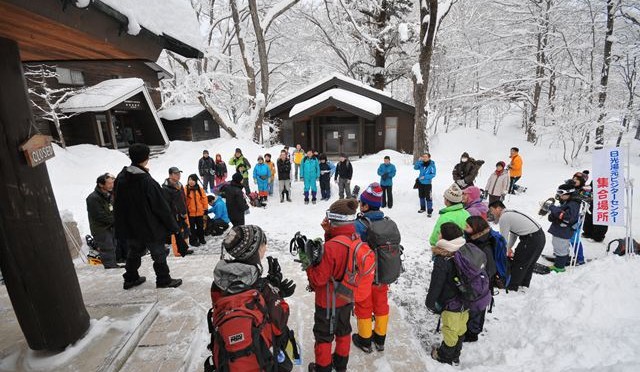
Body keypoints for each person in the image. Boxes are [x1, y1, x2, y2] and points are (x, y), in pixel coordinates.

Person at [210, 225, 296, 372]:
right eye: (263, 244)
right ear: (253, 252)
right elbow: (280, 320)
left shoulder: (218, 284)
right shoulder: (262, 288)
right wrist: (277, 294)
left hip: (230, 359)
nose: (266, 247)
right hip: (262, 359)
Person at [114, 143, 182, 289]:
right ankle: (163, 279)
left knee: (134, 251)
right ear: (146, 158)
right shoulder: (146, 181)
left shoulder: (121, 178)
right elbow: (161, 207)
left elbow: (118, 203)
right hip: (149, 225)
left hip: (131, 225)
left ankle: (131, 277)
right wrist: (173, 227)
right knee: (158, 252)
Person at [307, 199, 360, 372]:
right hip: (347, 295)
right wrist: (329, 233)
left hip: (327, 302)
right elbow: (341, 247)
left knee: (323, 336)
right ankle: (340, 364)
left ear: (333, 219)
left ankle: (323, 368)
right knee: (344, 331)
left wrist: (309, 264)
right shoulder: (355, 238)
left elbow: (318, 280)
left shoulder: (329, 248)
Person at [352, 183, 395, 353]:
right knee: (381, 304)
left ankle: (364, 340)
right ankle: (380, 338)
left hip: (365, 274)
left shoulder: (360, 225)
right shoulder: (388, 222)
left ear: (366, 206)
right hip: (383, 273)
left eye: (361, 203)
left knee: (364, 305)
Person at [425, 223, 470, 365]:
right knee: (461, 327)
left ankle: (444, 356)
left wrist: (430, 302)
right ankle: (456, 354)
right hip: (468, 297)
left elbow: (436, 283)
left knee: (450, 329)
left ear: (444, 238)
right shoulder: (465, 250)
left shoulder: (443, 258)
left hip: (451, 301)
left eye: (440, 233)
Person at [488, 201, 545, 290]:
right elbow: (514, 233)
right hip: (538, 236)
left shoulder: (504, 217)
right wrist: (509, 247)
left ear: (498, 208)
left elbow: (503, 238)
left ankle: (512, 286)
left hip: (531, 238)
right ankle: (523, 284)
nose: (491, 213)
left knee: (519, 261)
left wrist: (503, 251)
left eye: (492, 210)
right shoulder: (510, 213)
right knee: (528, 262)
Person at [463, 216, 498, 342]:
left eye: (467, 227)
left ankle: (472, 334)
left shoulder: (484, 246)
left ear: (476, 229)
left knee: (477, 309)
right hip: (476, 281)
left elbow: (490, 269)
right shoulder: (474, 239)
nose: (464, 229)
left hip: (481, 284)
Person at [86, 172, 121, 269]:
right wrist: (116, 220)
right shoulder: (93, 198)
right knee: (107, 249)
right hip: (101, 229)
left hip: (111, 226)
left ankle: (114, 264)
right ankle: (111, 269)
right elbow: (100, 216)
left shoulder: (109, 195)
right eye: (109, 183)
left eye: (112, 183)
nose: (112, 185)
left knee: (113, 246)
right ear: (101, 184)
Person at [547, 184, 581, 272]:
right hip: (560, 229)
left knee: (560, 247)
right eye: (558, 192)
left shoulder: (574, 204)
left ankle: (559, 267)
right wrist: (553, 215)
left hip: (564, 230)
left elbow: (569, 217)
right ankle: (563, 260)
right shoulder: (567, 201)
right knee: (558, 245)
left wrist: (554, 209)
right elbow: (561, 212)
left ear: (569, 193)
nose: (559, 195)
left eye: (561, 193)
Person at [161, 167, 193, 257]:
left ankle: (184, 248)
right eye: (176, 174)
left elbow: (183, 199)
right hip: (174, 214)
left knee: (186, 230)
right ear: (170, 175)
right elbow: (166, 204)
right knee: (176, 232)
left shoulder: (180, 185)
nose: (178, 175)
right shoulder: (165, 188)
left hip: (183, 212)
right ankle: (177, 251)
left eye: (179, 173)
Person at [185, 174, 208, 247]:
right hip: (190, 213)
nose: (191, 182)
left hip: (199, 212)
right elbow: (183, 200)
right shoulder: (185, 189)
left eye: (193, 180)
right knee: (191, 228)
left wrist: (205, 209)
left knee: (200, 227)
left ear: (196, 181)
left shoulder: (199, 189)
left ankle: (201, 238)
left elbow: (204, 199)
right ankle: (193, 241)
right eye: (190, 180)